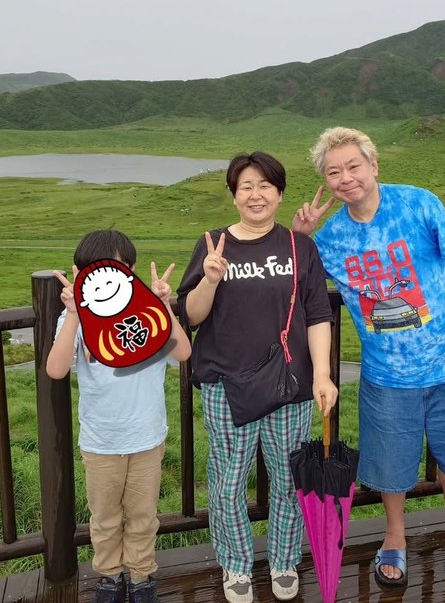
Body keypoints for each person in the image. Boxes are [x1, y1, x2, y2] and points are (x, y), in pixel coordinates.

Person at [293, 127, 445, 595]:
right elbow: (293, 283)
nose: (345, 178)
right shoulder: (331, 236)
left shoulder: (419, 203)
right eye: (333, 172)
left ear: (373, 166)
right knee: (392, 465)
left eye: (353, 166)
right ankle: (393, 535)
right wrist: (299, 236)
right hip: (388, 373)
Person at [177, 152, 339, 603]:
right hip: (225, 386)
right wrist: (209, 279)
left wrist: (322, 376)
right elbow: (190, 315)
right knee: (228, 482)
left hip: (290, 387)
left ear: (280, 194)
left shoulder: (298, 246)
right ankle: (236, 565)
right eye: (246, 186)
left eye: (265, 185)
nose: (256, 194)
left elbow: (317, 314)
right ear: (233, 194)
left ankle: (284, 561)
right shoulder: (213, 243)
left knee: (288, 480)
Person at [46, 229, 192, 603]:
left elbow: (183, 352)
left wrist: (165, 305)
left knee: (144, 516)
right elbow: (57, 369)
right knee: (105, 519)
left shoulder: (149, 313)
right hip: (101, 442)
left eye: (117, 267)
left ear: (131, 270)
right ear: (81, 275)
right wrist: (75, 315)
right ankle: (110, 577)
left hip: (146, 437)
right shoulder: (77, 319)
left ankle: (142, 576)